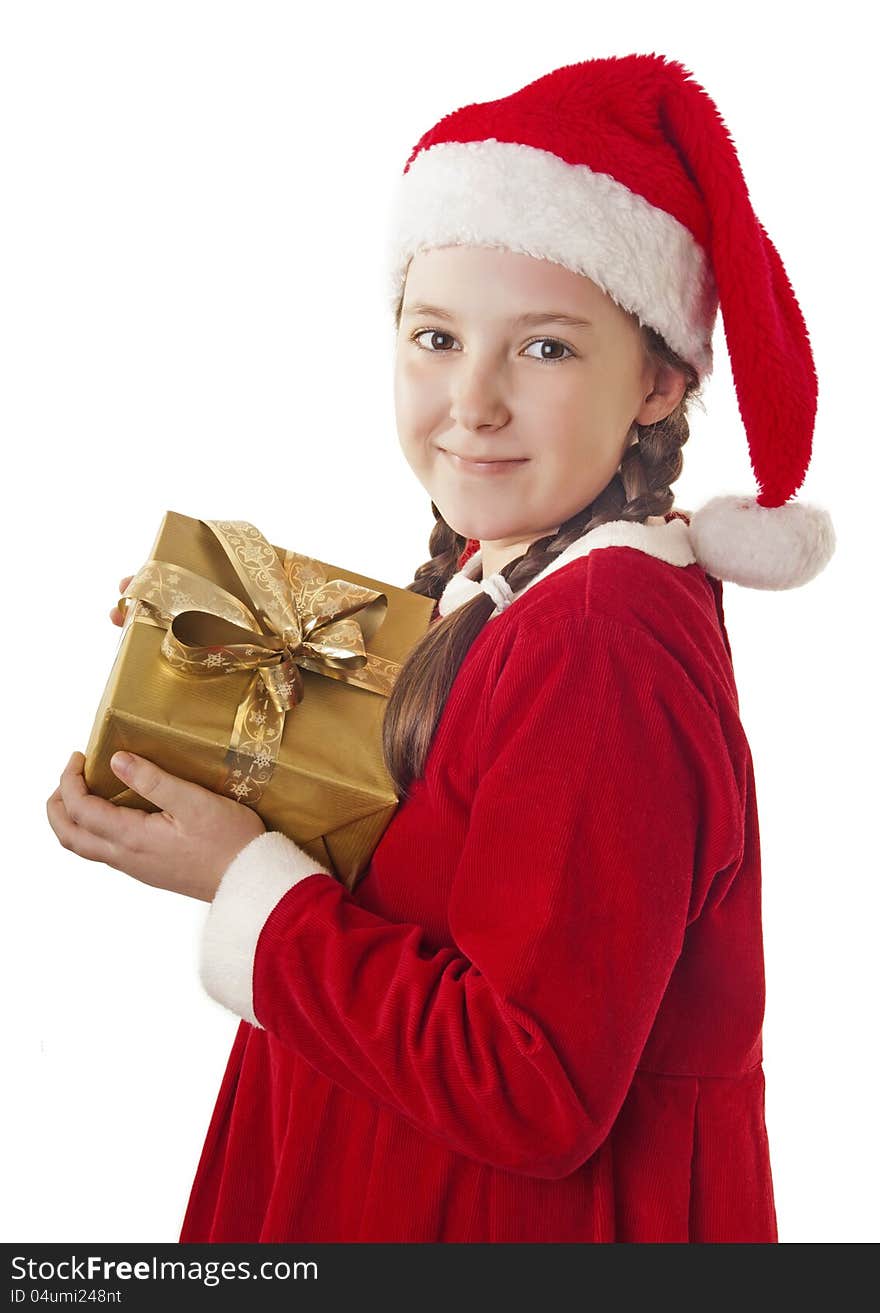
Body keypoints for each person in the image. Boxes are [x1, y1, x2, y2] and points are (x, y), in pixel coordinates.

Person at [47, 52, 835, 1243]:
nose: (471, 400)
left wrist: (241, 882)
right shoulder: (520, 590)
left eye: (545, 348)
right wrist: (215, 699)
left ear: (662, 382)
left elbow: (530, 1084)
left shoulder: (602, 641)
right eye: (433, 337)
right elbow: (440, 844)